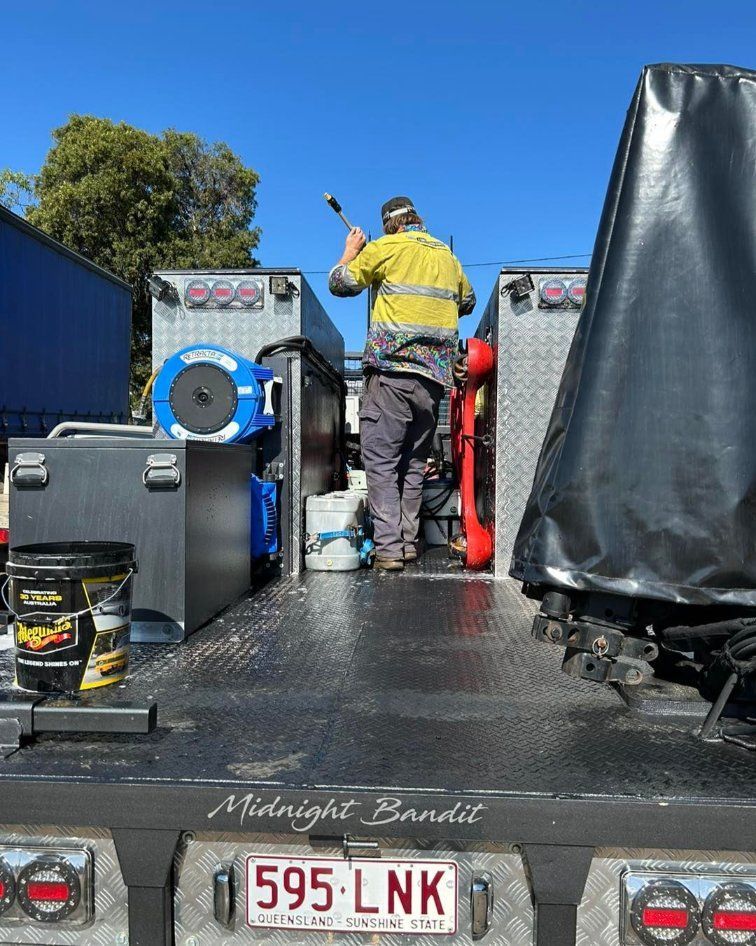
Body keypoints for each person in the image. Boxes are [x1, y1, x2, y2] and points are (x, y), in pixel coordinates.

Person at [329, 196, 476, 571]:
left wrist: (350, 251)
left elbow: (340, 284)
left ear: (389, 223)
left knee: (380, 464)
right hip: (432, 383)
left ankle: (390, 551)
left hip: (391, 375)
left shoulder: (385, 248)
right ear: (415, 219)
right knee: (412, 465)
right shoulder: (447, 257)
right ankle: (409, 544)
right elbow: (469, 301)